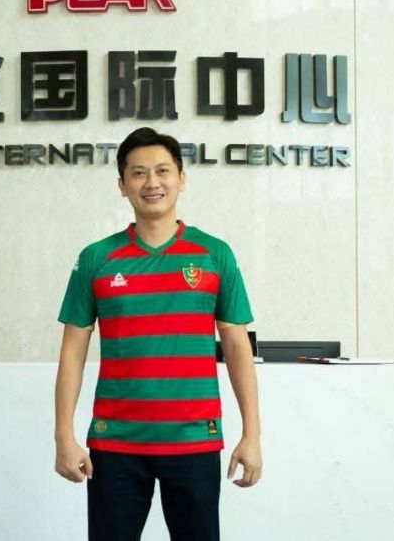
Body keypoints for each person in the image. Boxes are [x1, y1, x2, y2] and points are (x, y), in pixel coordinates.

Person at [54, 127, 261, 541]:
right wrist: (64, 436)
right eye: (138, 173)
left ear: (181, 179)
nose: (152, 182)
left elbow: (237, 347)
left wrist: (251, 434)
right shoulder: (96, 258)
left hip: (194, 442)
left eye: (163, 171)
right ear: (122, 184)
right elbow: (73, 352)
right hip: (116, 444)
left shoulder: (215, 254)